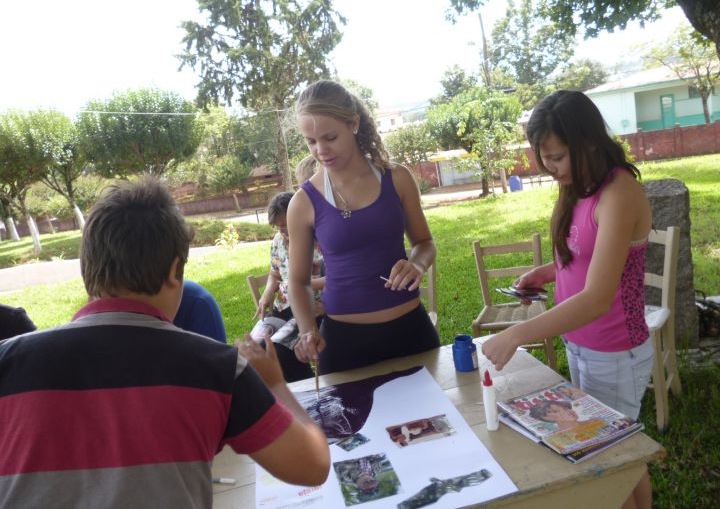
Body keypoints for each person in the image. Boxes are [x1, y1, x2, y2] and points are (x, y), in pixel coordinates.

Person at [0, 177, 330, 508]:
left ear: (88, 269)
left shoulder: (8, 360)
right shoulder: (217, 368)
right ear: (175, 272)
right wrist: (274, 384)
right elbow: (313, 466)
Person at [480, 90, 653, 509]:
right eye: (545, 160)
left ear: (589, 142)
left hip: (614, 350)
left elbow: (597, 297)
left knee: (616, 456)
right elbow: (582, 257)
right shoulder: (578, 186)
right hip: (579, 342)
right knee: (605, 449)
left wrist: (518, 334)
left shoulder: (619, 192)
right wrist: (545, 273)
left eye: (557, 158)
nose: (550, 169)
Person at [288, 80, 440, 375]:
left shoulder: (397, 178)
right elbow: (297, 282)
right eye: (311, 141)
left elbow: (424, 242)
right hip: (344, 345)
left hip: (411, 332)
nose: (321, 150)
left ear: (354, 124)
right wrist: (307, 330)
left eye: (330, 137)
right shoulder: (303, 202)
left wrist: (417, 265)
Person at [254, 192, 324, 323]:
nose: (281, 231)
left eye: (285, 224)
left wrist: (326, 308)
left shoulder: (322, 240)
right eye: (277, 226)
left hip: (314, 310)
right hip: (283, 307)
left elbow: (340, 281)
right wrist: (268, 292)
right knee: (261, 340)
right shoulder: (278, 241)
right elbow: (275, 275)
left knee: (289, 342)